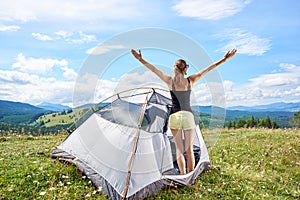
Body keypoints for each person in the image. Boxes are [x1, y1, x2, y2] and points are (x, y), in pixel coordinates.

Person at [131, 48, 237, 174]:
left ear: (175, 68)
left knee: (179, 150)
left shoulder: (170, 81)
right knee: (189, 149)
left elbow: (154, 69)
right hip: (187, 116)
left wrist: (140, 59)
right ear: (185, 68)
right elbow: (208, 69)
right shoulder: (190, 80)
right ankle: (190, 176)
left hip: (174, 117)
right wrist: (224, 59)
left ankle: (182, 174)